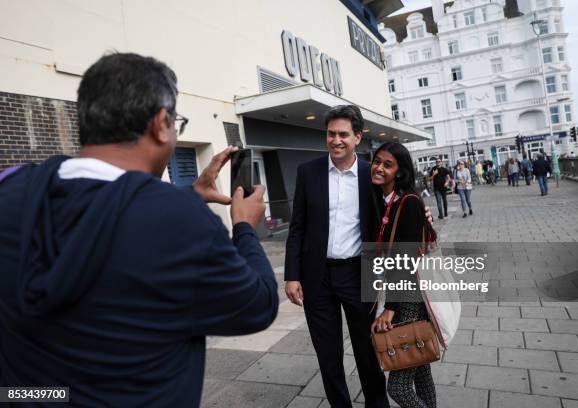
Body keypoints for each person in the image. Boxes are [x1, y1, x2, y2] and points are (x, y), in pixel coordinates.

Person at [0, 53, 279, 406]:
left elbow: (103, 215)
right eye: (177, 122)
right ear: (161, 123)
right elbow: (257, 305)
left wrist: (190, 196)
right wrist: (244, 226)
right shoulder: (180, 223)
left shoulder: (11, 190)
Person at [284, 105, 432, 408]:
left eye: (343, 134)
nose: (335, 140)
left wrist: (423, 214)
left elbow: (399, 204)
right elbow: (297, 227)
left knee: (368, 353)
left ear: (357, 137)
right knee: (328, 357)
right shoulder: (308, 172)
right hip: (317, 278)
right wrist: (291, 274)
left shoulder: (371, 173)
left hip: (359, 274)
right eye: (331, 134)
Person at [370, 142, 436, 408]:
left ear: (399, 171)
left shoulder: (407, 202)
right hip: (407, 294)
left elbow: (405, 259)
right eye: (377, 161)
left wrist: (391, 308)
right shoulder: (385, 200)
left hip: (409, 298)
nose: (379, 168)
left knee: (397, 387)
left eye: (388, 164)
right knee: (420, 370)